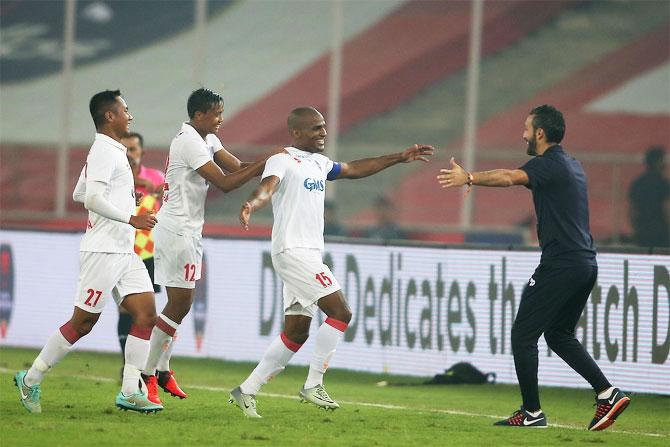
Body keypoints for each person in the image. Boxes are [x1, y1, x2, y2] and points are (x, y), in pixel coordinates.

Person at [229, 106, 433, 418]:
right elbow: (267, 187)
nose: (323, 133)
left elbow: (354, 168)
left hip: (309, 253)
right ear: (296, 132)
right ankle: (313, 384)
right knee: (341, 312)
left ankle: (247, 390)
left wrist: (399, 157)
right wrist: (251, 204)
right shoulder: (282, 159)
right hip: (292, 251)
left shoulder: (320, 163)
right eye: (315, 128)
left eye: (324, 127)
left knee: (296, 331)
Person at [437, 105, 629, 431]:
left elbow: (510, 176)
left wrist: (469, 177)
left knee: (522, 335)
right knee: (557, 334)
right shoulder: (572, 164)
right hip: (585, 263)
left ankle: (531, 412)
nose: (523, 134)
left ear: (540, 133)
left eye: (527, 128)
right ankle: (607, 393)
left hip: (561, 263)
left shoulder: (548, 164)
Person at [14, 89, 162, 413]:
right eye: (126, 110)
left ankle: (130, 390)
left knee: (147, 314)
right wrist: (131, 216)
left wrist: (125, 200)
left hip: (124, 251)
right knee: (83, 323)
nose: (130, 116)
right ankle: (30, 378)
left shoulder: (111, 149)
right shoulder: (104, 151)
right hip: (103, 252)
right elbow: (92, 200)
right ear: (110, 116)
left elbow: (80, 191)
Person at [140, 88, 269, 406]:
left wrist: (277, 166)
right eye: (217, 114)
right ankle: (146, 376)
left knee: (179, 305)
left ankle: (163, 370)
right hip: (177, 230)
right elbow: (226, 183)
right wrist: (268, 162)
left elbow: (236, 165)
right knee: (179, 305)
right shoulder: (189, 142)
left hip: (187, 230)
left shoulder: (207, 138)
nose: (221, 119)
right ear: (199, 115)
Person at [116, 133, 166, 379]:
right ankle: (128, 365)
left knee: (146, 312)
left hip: (148, 254)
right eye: (124, 149)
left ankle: (138, 367)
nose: (129, 153)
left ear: (142, 152)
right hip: (122, 251)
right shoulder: (116, 178)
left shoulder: (157, 179)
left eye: (133, 149)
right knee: (125, 311)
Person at [629, 146, 669, 248]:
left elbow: (632, 210)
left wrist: (636, 228)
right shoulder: (663, 183)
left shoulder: (637, 183)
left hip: (642, 230)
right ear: (658, 162)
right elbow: (667, 208)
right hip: (661, 231)